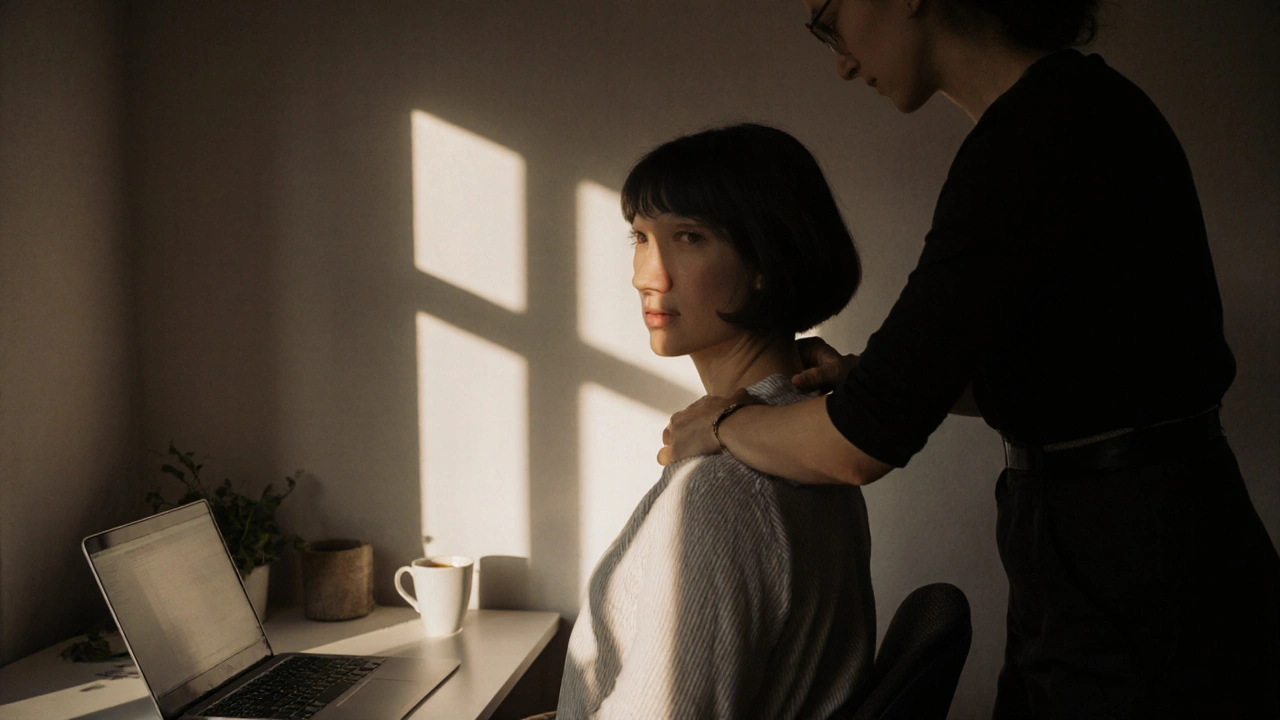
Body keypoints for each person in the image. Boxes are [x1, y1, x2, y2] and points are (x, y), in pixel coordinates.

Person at [659, 1, 1280, 718]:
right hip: (1134, 541)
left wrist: (726, 424)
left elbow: (861, 444)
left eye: (832, 19)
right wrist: (878, 376)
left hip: (1133, 563)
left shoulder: (1039, 137)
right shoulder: (1072, 112)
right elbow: (1092, 372)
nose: (842, 60)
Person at [554, 124, 876, 719]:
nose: (646, 276)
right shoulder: (806, 439)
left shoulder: (726, 490)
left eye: (688, 237)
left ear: (765, 261)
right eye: (641, 238)